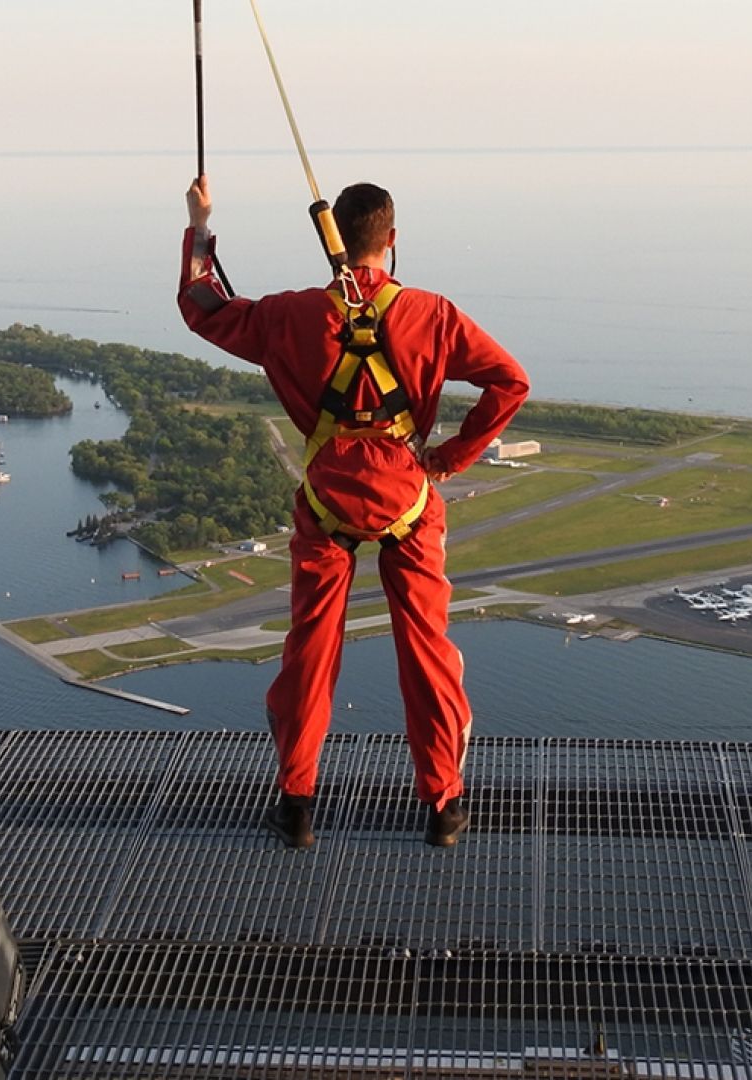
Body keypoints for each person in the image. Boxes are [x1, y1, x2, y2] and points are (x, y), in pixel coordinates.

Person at [177, 175, 529, 849]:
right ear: (392, 241)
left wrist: (201, 226)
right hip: (408, 500)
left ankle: (298, 803)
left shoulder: (291, 316)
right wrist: (451, 456)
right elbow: (510, 382)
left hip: (327, 504)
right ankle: (444, 805)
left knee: (311, 650)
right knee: (426, 652)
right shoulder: (433, 314)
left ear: (334, 240)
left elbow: (203, 307)